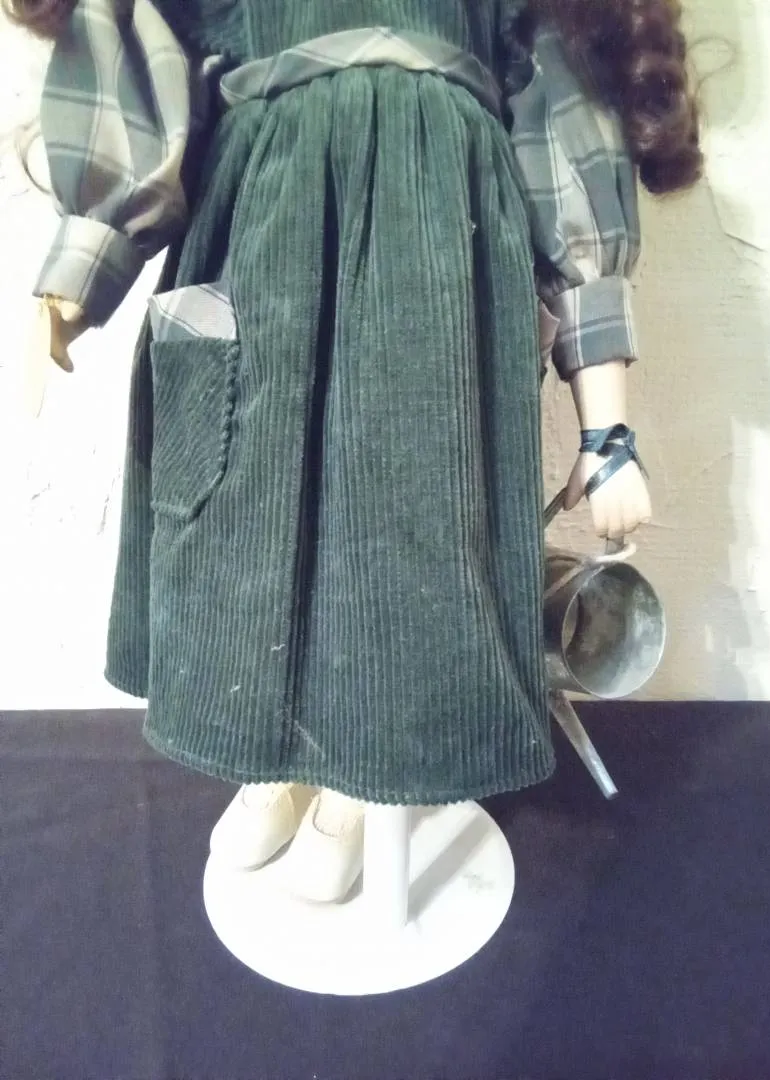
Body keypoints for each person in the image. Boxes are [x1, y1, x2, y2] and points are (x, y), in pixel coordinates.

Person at [8, 0, 702, 902]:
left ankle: (358, 781)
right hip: (259, 231)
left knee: (407, 518)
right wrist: (75, 275)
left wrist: (608, 434)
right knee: (245, 507)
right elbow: (141, 64)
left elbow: (566, 141)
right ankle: (272, 756)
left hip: (438, 242)